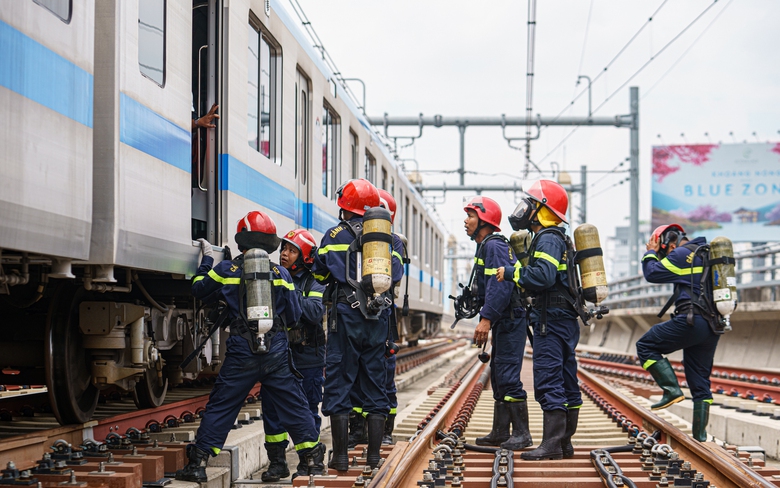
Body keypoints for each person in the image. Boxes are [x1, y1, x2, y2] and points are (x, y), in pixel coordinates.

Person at [175, 211, 325, 482]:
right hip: (276, 351)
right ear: (270, 243)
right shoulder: (281, 274)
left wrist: (208, 260)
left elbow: (199, 289)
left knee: (222, 405)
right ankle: (312, 460)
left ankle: (197, 463)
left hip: (241, 351)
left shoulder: (227, 270)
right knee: (294, 405)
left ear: (241, 241)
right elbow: (292, 316)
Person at [312, 179, 403, 470]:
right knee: (375, 381)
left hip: (345, 318)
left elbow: (321, 273)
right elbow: (397, 273)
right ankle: (374, 456)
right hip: (379, 319)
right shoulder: (390, 238)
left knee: (340, 379)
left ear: (344, 207)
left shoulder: (333, 234)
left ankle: (340, 457)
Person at [496, 180, 582, 461]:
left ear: (542, 209)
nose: (525, 209)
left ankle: (551, 444)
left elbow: (543, 277)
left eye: (531, 203)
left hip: (552, 319)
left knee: (548, 378)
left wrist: (511, 274)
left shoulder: (547, 238)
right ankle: (564, 443)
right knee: (568, 378)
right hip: (564, 317)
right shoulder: (560, 238)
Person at [635, 224, 720, 442]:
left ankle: (671, 390)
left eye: (665, 254)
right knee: (700, 379)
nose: (665, 258)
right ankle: (700, 436)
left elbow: (652, 273)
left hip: (692, 320)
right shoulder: (708, 253)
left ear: (671, 245)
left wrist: (650, 253)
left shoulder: (682, 253)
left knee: (646, 346)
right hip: (712, 325)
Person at [463, 196, 531, 452]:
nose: (466, 221)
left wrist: (486, 319)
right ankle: (501, 431)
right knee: (500, 375)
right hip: (506, 321)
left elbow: (500, 286)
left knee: (508, 376)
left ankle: (522, 435)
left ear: (484, 220)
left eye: (470, 216)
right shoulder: (486, 247)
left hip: (510, 319)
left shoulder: (495, 246)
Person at [258, 229, 326, 482]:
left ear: (304, 256)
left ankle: (308, 462)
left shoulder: (314, 282)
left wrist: (287, 290)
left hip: (307, 357)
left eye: (292, 250)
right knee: (273, 410)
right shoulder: (273, 276)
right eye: (283, 249)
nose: (284, 254)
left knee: (307, 410)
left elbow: (313, 313)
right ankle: (277, 463)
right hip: (277, 356)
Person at [346, 189, 406, 447]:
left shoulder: (393, 241)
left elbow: (396, 271)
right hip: (360, 312)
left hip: (383, 314)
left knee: (383, 375)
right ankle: (357, 430)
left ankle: (385, 430)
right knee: (358, 375)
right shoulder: (358, 238)